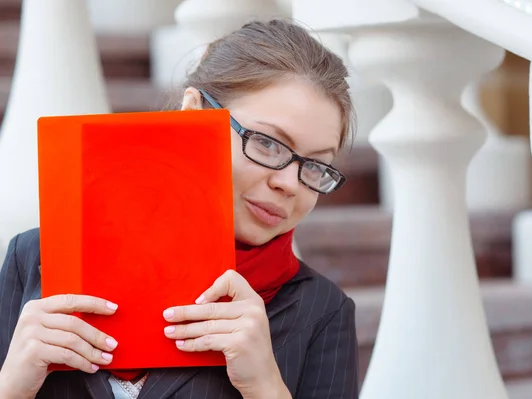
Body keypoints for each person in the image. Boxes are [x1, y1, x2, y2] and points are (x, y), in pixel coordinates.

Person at [0, 19, 359, 399]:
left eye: (316, 166)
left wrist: (264, 385)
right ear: (194, 110)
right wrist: (13, 384)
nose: (289, 184)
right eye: (267, 143)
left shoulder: (322, 311)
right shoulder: (33, 260)